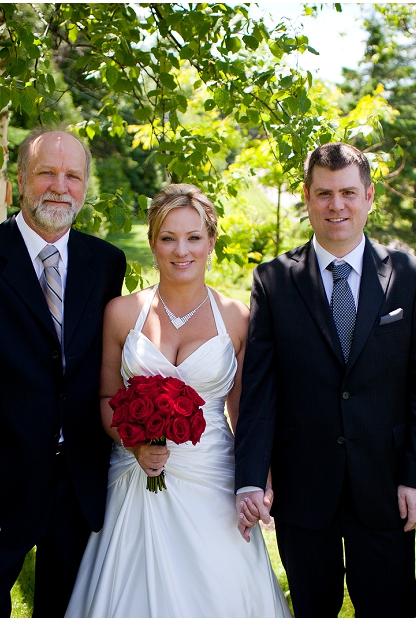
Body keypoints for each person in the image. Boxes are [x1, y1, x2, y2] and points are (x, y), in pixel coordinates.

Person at [65, 184, 290, 617]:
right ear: (152, 243)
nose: (180, 250)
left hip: (214, 476)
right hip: (135, 478)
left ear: (211, 242)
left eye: (193, 237)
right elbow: (107, 395)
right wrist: (133, 442)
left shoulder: (237, 317)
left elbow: (244, 411)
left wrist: (259, 478)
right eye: (168, 237)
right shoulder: (122, 313)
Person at [0, 127, 126, 617]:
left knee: (65, 608)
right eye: (47, 173)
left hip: (80, 481)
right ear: (19, 181)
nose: (60, 186)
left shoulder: (106, 263)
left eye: (73, 176)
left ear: (85, 186)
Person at [234, 142, 416, 617]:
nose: (336, 205)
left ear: (369, 196)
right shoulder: (273, 280)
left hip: (386, 484)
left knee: (389, 607)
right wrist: (250, 478)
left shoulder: (410, 276)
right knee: (312, 607)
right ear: (307, 198)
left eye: (348, 192)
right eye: (324, 194)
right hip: (303, 484)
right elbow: (260, 391)